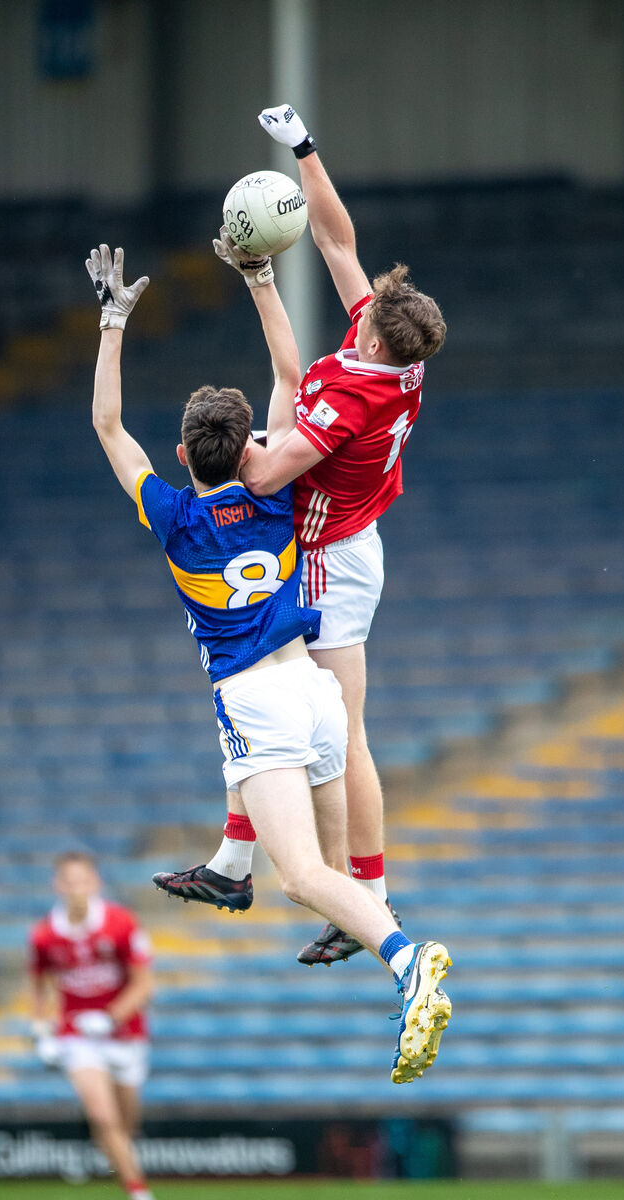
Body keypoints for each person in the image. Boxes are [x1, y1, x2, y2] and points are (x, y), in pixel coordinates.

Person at [84, 241, 451, 1083]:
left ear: (180, 458)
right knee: (331, 873)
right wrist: (257, 276)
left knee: (305, 878)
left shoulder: (172, 516)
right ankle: (262, 879)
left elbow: (108, 427)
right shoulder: (278, 488)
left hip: (260, 703)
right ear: (249, 439)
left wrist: (113, 324)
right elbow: (289, 365)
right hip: (313, 688)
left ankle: (410, 959)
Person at [161, 103, 447, 967]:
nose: (363, 294)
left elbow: (265, 475)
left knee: (336, 727)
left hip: (327, 561)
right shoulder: (396, 356)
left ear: (365, 330)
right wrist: (305, 150)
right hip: (341, 546)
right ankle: (235, 860)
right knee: (267, 694)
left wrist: (224, 442)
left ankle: (368, 893)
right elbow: (336, 242)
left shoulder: (349, 398)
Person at [29, 851, 155, 1200]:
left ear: (95, 882)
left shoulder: (121, 923)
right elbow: (39, 989)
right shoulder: (43, 935)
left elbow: (143, 984)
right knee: (101, 1115)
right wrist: (42, 1033)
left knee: (125, 1123)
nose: (76, 889)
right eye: (68, 882)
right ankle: (138, 1192)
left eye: (82, 880)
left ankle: (119, 1161)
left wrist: (109, 1017)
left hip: (125, 1034)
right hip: (76, 1035)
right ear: (58, 885)